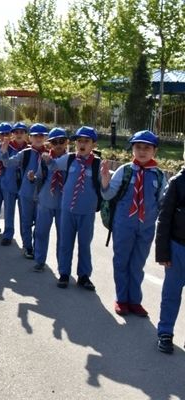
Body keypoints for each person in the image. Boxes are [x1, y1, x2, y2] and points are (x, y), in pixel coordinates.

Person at [102, 130, 166, 317]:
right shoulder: (125, 171)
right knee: (121, 262)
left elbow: (162, 203)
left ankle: (135, 301)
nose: (142, 151)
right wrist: (105, 181)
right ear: (132, 149)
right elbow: (107, 195)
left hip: (146, 228)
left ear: (155, 150)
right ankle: (122, 299)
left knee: (137, 264)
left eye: (147, 147)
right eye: (138, 147)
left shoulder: (159, 176)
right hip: (124, 225)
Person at [42, 126, 102, 291]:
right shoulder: (69, 159)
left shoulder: (97, 164)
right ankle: (64, 274)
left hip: (87, 212)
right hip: (68, 210)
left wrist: (105, 179)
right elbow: (54, 166)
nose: (82, 144)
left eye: (86, 141)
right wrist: (48, 160)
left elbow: (104, 186)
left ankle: (84, 276)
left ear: (93, 145)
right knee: (65, 243)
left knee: (84, 244)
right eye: (79, 141)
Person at [156, 145, 185, 354]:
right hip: (177, 248)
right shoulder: (177, 182)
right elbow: (164, 219)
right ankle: (165, 332)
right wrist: (163, 253)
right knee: (171, 293)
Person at [2, 123, 48, 257]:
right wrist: (4, 152)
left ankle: (38, 247)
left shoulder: (49, 154)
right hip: (26, 192)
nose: (38, 138)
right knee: (26, 221)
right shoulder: (25, 153)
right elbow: (8, 163)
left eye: (41, 136)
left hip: (43, 195)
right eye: (35, 136)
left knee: (39, 223)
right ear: (30, 138)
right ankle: (28, 246)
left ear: (45, 137)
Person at [32, 128, 68, 272]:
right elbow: (39, 177)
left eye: (61, 141)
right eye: (54, 142)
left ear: (66, 143)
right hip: (46, 200)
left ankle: (63, 266)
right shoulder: (44, 158)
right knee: (41, 232)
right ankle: (40, 260)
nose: (58, 144)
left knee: (63, 236)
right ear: (50, 144)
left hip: (63, 203)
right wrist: (32, 178)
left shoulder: (71, 159)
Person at [0, 122, 29, 246]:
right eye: (16, 132)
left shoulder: (29, 148)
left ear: (26, 134)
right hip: (9, 183)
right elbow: (3, 162)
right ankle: (8, 235)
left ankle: (25, 239)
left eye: (22, 132)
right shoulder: (7, 146)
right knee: (9, 211)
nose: (19, 134)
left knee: (24, 214)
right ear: (13, 134)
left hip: (24, 185)